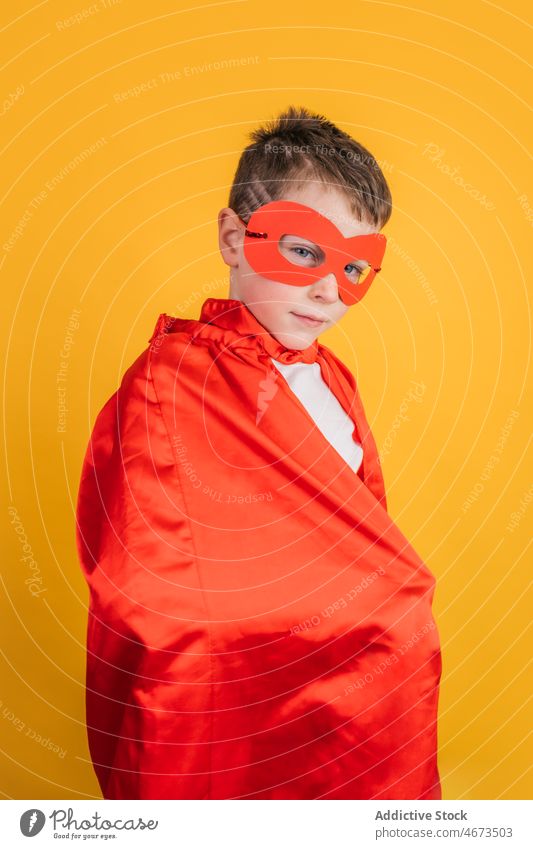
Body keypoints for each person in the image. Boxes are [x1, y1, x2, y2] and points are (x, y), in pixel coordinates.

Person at [76, 105, 442, 800]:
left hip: (365, 706)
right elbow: (150, 580)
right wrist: (368, 609)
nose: (327, 289)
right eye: (303, 251)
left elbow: (362, 537)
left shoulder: (335, 381)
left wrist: (387, 609)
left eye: (354, 266)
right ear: (232, 236)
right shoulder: (171, 379)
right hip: (233, 703)